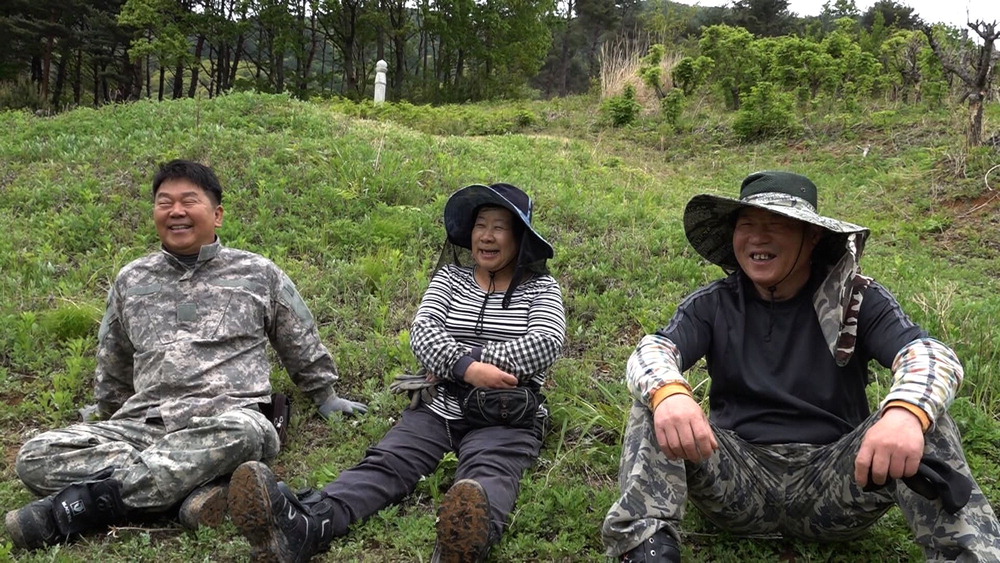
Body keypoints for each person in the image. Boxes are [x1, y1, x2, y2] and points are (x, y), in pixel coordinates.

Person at [602, 171, 1000, 562]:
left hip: (836, 485)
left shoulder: (856, 300)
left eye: (777, 224)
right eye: (747, 224)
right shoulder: (713, 304)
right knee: (654, 403)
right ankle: (646, 548)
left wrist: (905, 414)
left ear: (812, 237)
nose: (758, 237)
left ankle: (969, 554)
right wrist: (670, 394)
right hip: (737, 484)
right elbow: (652, 351)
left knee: (926, 416)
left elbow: (931, 354)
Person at [4, 159, 366, 550]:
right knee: (35, 456)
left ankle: (77, 508)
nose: (176, 211)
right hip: (148, 424)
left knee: (250, 434)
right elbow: (114, 356)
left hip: (228, 419)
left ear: (217, 214)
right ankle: (191, 489)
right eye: (164, 202)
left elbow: (298, 337)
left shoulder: (259, 273)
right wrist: (108, 410)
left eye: (188, 201)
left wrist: (325, 394)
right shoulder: (132, 279)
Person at [226, 182, 566, 562]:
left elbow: (545, 343)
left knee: (488, 475)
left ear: (520, 237)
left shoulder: (542, 289)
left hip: (505, 415)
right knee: (387, 463)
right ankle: (308, 525)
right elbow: (423, 335)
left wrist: (458, 361)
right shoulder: (450, 280)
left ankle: (463, 546)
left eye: (499, 227)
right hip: (439, 406)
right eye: (480, 225)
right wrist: (469, 369)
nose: (486, 236)